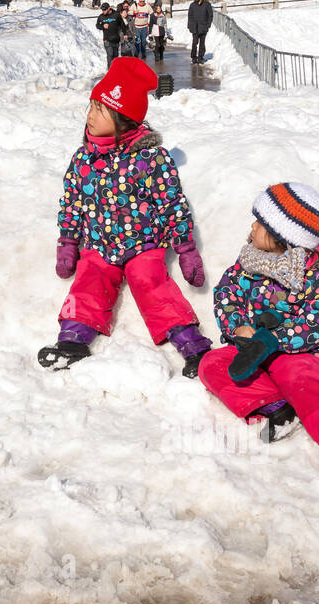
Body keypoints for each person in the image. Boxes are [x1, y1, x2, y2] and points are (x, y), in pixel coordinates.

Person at [38, 57, 213, 377]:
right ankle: (72, 343)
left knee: (153, 285)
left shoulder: (150, 158)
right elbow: (72, 202)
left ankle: (193, 347)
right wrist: (67, 241)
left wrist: (186, 249)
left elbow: (171, 203)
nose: (89, 116)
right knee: (88, 281)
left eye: (99, 110)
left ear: (123, 118)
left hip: (143, 243)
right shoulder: (83, 158)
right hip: (99, 243)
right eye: (90, 106)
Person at [196, 184, 319, 471]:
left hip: (298, 350)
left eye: (261, 223)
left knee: (296, 375)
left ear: (283, 236)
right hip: (251, 346)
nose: (252, 227)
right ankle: (278, 408)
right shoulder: (249, 261)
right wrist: (238, 327)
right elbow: (226, 293)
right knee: (212, 363)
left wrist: (275, 340)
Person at [187, 0, 212, 65]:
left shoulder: (207, 5)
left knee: (202, 43)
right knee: (194, 43)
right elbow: (189, 16)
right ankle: (194, 57)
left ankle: (200, 57)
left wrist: (208, 25)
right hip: (194, 27)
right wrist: (190, 25)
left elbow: (210, 16)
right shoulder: (192, 5)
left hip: (203, 27)